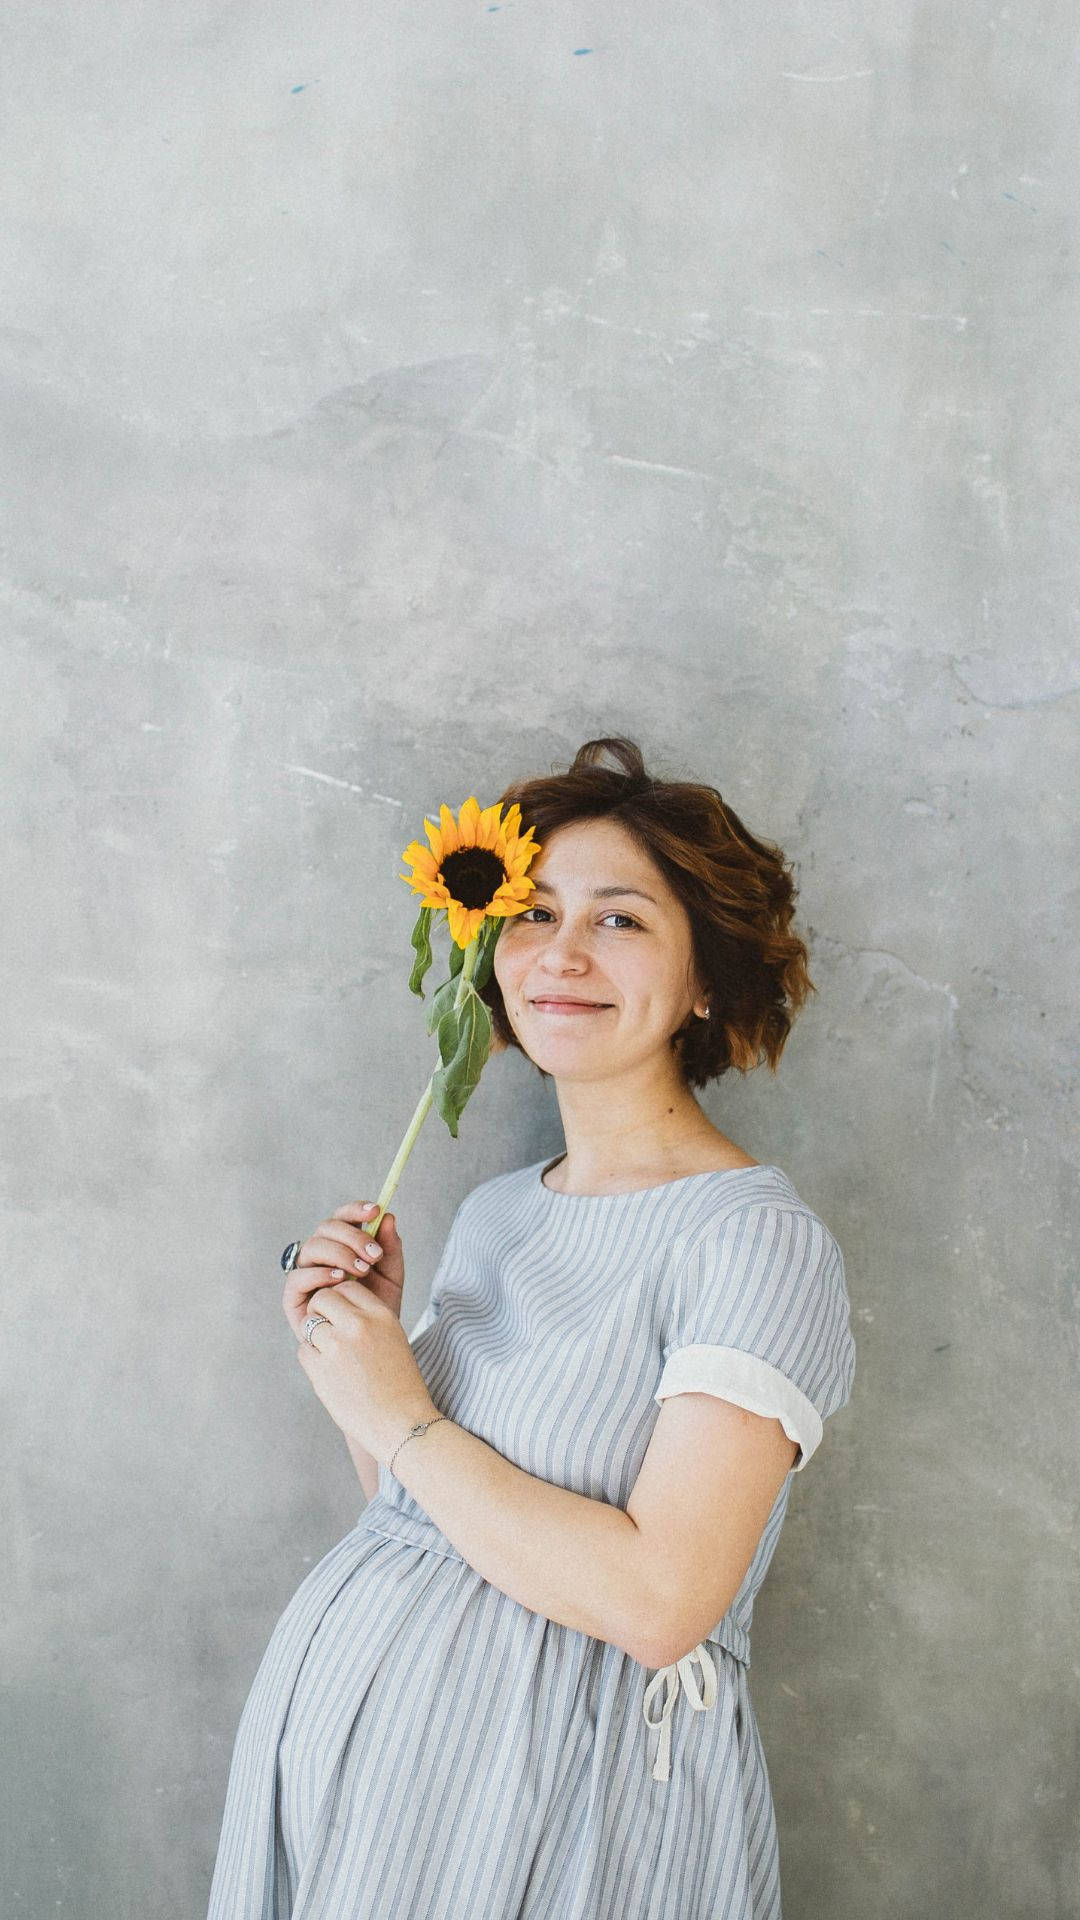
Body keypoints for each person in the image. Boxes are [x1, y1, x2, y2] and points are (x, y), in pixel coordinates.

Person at [206, 736, 856, 1919]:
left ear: (709, 979)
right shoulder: (504, 1208)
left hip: (562, 1804)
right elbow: (430, 1518)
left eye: (619, 921)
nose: (559, 954)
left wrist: (397, 1413)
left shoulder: (754, 1243)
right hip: (373, 1781)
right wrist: (368, 1350)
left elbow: (661, 1605)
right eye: (532, 912)